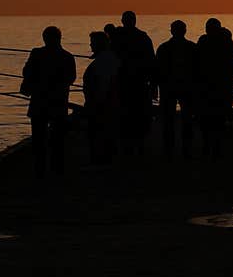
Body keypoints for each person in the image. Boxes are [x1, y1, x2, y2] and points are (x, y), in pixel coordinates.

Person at [20, 26, 77, 177]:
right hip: (59, 103)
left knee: (39, 140)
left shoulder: (37, 53)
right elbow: (71, 78)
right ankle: (57, 170)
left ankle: (40, 171)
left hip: (39, 103)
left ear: (45, 38)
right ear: (60, 38)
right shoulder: (68, 56)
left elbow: (26, 72)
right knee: (58, 140)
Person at [195, 17, 233, 160]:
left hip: (207, 90)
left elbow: (195, 66)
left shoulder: (203, 42)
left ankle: (208, 147)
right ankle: (217, 149)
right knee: (219, 120)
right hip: (223, 90)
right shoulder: (228, 44)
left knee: (207, 120)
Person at [112, 11, 155, 155]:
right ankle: (139, 146)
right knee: (138, 116)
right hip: (138, 83)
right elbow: (151, 62)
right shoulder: (143, 37)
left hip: (126, 83)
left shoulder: (117, 38)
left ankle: (128, 147)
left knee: (127, 116)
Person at [155, 20, 197, 159]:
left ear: (171, 31)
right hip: (187, 88)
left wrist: (154, 89)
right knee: (187, 119)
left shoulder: (163, 48)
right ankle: (187, 149)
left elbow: (157, 71)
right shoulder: (192, 47)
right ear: (185, 31)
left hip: (168, 88)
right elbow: (198, 71)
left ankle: (169, 149)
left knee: (168, 120)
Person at [83, 31, 121, 165]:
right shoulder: (112, 59)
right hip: (106, 104)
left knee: (99, 134)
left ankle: (100, 161)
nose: (90, 45)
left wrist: (95, 104)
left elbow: (103, 85)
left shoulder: (103, 62)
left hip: (101, 105)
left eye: (92, 43)